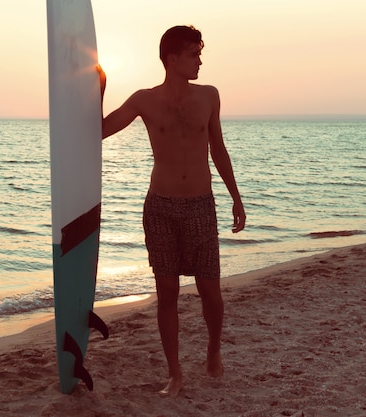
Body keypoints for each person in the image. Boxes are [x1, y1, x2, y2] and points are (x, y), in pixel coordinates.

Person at [99, 25, 246, 398]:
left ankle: (213, 350)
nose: (199, 60)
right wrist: (99, 90)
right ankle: (175, 373)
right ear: (172, 58)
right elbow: (99, 131)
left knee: (209, 289)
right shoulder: (143, 100)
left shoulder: (209, 96)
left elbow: (219, 150)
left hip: (200, 204)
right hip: (160, 207)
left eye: (200, 53)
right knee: (166, 291)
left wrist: (236, 198)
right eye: (194, 54)